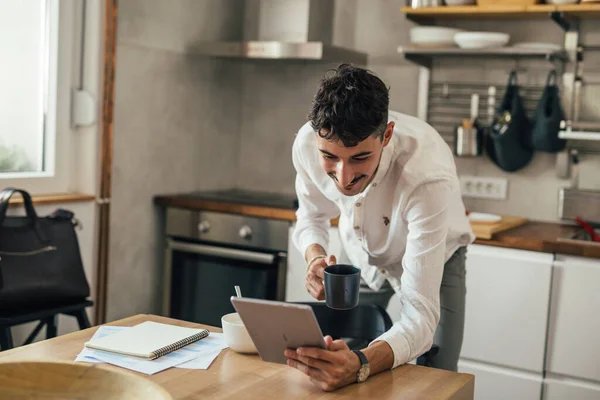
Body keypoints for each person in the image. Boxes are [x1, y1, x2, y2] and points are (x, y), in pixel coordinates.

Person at [284, 64, 475, 392]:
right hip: (361, 251)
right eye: (330, 157)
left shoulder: (425, 177)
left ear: (386, 135)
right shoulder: (305, 145)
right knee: (342, 355)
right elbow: (312, 216)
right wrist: (314, 257)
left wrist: (361, 364)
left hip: (437, 256)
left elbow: (419, 320)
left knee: (439, 378)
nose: (344, 178)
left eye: (359, 158)